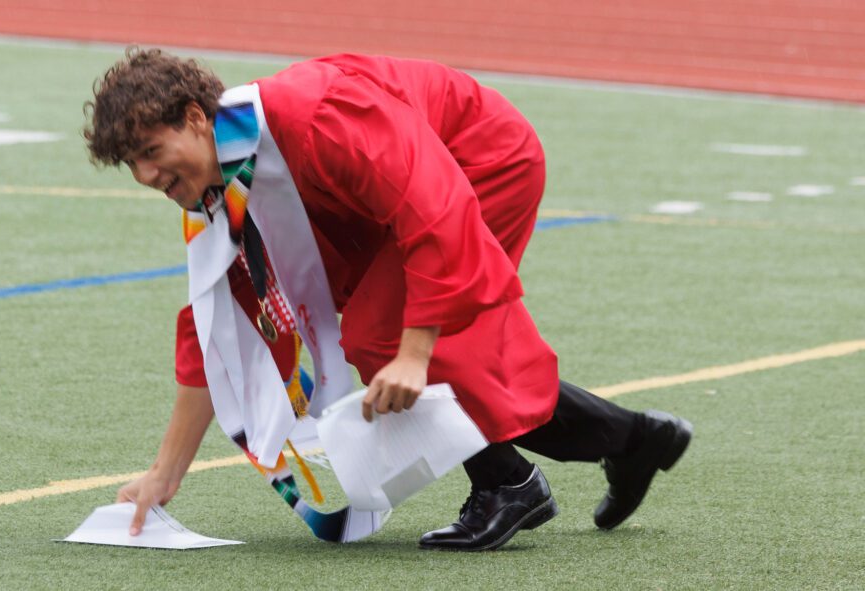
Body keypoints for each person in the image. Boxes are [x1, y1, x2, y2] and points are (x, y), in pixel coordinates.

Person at [84, 48, 693, 551]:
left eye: (150, 154)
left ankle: (512, 483)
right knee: (395, 341)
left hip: (481, 163)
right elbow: (211, 325)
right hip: (381, 203)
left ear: (195, 117)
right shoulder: (220, 180)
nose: (145, 178)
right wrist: (166, 473)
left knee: (384, 337)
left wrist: (414, 351)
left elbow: (433, 203)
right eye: (130, 165)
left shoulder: (317, 116)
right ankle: (635, 439)